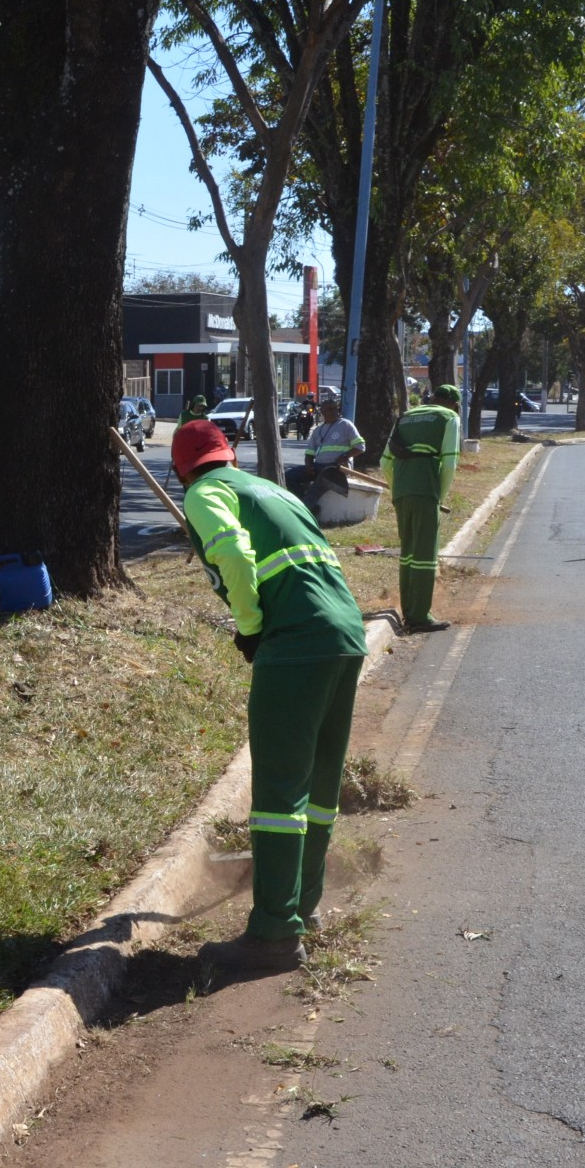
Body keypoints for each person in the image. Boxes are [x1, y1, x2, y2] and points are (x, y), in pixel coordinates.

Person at [170, 420, 370, 974]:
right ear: (229, 454)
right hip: (345, 633)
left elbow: (233, 553)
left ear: (183, 466)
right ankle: (304, 906)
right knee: (320, 781)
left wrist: (251, 625)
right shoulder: (271, 488)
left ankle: (275, 936)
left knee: (281, 788)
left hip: (296, 640)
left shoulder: (204, 493)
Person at [383, 383, 462, 633]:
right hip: (426, 490)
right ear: (454, 404)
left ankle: (409, 610)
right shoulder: (449, 418)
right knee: (424, 556)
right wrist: (438, 496)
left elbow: (384, 462)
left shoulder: (406, 417)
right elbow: (449, 463)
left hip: (401, 492)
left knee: (407, 553)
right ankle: (419, 617)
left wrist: (399, 488)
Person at [285, 398, 367, 514]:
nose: (334, 411)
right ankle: (310, 508)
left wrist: (344, 457)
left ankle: (303, 514)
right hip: (318, 466)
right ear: (322, 412)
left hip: (336, 469)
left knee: (316, 487)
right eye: (329, 409)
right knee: (289, 476)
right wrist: (309, 465)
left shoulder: (345, 425)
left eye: (335, 408)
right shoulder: (318, 430)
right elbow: (309, 453)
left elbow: (360, 447)